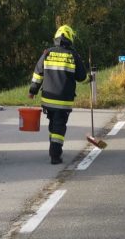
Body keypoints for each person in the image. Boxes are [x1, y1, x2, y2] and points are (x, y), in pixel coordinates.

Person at [28, 25, 92, 165]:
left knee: (53, 124)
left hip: (48, 99)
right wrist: (90, 79)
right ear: (70, 39)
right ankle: (55, 155)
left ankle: (54, 148)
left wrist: (33, 90)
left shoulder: (47, 53)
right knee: (59, 127)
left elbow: (38, 73)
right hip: (63, 101)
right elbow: (81, 77)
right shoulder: (73, 55)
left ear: (56, 38)